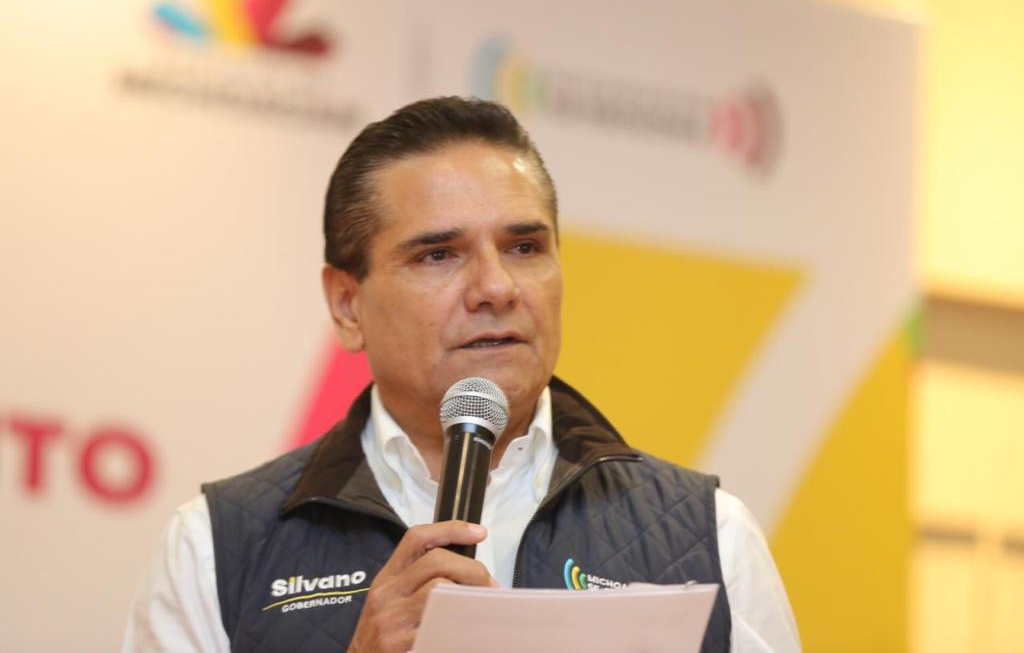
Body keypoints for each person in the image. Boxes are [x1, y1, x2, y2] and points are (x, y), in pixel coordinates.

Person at [123, 96, 801, 653]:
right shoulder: (214, 547)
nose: (497, 287)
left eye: (524, 247)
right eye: (439, 255)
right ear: (348, 304)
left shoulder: (710, 533)